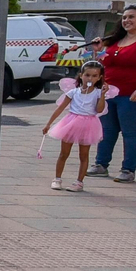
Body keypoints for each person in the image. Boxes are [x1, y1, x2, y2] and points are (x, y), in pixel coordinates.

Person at [88, 5, 136, 182]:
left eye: (131, 17)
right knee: (107, 129)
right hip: (109, 93)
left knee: (130, 131)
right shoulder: (116, 39)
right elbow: (103, 64)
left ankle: (128, 169)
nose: (126, 20)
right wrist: (98, 51)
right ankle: (101, 165)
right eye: (124, 17)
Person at [42, 64, 110, 192]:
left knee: (84, 155)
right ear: (81, 75)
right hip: (71, 122)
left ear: (99, 77)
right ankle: (57, 179)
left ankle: (79, 182)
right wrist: (49, 124)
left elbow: (99, 109)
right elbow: (60, 108)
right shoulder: (74, 92)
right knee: (64, 153)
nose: (90, 78)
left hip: (88, 123)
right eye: (87, 75)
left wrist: (102, 95)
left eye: (94, 76)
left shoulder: (97, 93)